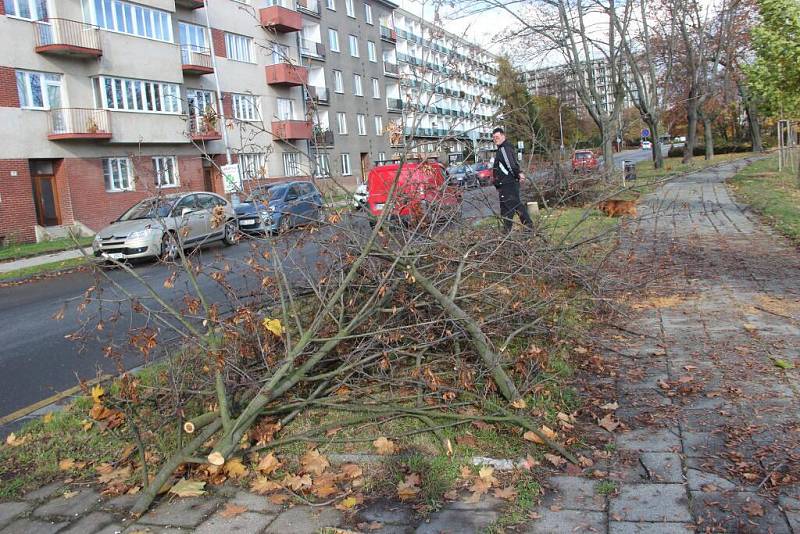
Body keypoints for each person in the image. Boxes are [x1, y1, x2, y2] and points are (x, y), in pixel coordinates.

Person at [492, 127, 533, 232]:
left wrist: (518, 173)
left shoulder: (504, 149)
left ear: (503, 136)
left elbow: (510, 164)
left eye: (497, 137)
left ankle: (528, 227)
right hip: (504, 183)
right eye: (494, 138)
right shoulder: (502, 149)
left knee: (511, 206)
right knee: (510, 206)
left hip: (508, 183)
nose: (495, 139)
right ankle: (508, 231)